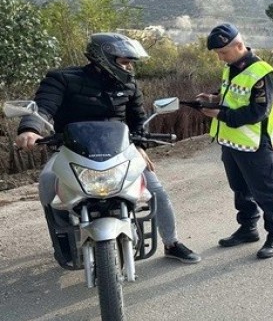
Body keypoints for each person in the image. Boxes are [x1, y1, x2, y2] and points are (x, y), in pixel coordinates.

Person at [15, 33, 201, 265]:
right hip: (71, 149)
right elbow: (43, 106)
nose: (130, 67)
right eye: (125, 62)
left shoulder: (129, 84)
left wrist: (140, 146)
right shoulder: (62, 78)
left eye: (130, 62)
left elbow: (138, 120)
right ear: (103, 59)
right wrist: (30, 128)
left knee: (155, 189)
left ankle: (172, 242)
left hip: (119, 150)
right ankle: (63, 238)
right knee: (47, 181)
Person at [195, 23, 273, 259]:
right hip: (232, 143)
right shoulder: (231, 68)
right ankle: (248, 228)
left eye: (223, 52)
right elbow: (233, 96)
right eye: (218, 54)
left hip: (258, 145)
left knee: (267, 191)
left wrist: (220, 114)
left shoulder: (263, 73)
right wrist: (214, 98)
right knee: (240, 190)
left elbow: (258, 112)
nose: (220, 58)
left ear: (239, 46)